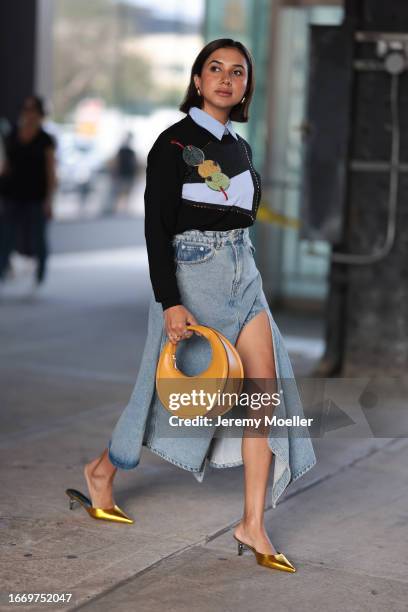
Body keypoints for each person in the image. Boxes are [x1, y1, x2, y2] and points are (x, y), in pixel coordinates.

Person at [66, 39, 317, 573]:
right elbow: (155, 230)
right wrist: (170, 302)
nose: (226, 79)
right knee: (166, 396)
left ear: (247, 85)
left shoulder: (240, 148)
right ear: (198, 81)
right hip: (192, 275)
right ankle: (103, 471)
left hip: (243, 273)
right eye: (215, 69)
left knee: (264, 392)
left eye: (238, 72)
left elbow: (242, 217)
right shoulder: (171, 143)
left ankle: (252, 522)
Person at [0, 95, 57, 294]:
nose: (29, 114)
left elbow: (51, 171)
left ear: (40, 114)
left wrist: (49, 199)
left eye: (33, 111)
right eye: (26, 110)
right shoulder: (12, 135)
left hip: (36, 196)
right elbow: (6, 165)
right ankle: (2, 273)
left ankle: (40, 275)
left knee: (38, 237)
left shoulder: (45, 139)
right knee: (5, 236)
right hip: (12, 194)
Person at [108, 132, 138, 215]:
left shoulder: (132, 151)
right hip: (122, 174)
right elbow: (116, 163)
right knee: (118, 192)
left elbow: (135, 163)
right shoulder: (121, 150)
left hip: (129, 174)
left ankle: (124, 209)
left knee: (127, 192)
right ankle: (116, 209)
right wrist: (114, 173)